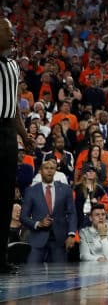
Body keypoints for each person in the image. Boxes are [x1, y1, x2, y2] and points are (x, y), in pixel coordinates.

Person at [0, 17, 35, 274]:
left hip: (7, 133)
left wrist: (24, 135)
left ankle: (1, 258)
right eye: (7, 31)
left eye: (13, 30)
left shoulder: (12, 66)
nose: (12, 35)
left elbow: (13, 108)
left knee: (5, 195)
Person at [22, 158, 77, 263]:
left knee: (59, 277)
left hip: (59, 240)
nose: (49, 170)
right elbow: (23, 217)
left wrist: (71, 234)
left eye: (52, 168)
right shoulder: (31, 191)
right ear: (40, 171)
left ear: (55, 171)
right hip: (37, 239)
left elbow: (72, 213)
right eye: (46, 168)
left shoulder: (65, 189)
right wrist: (38, 224)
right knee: (33, 274)